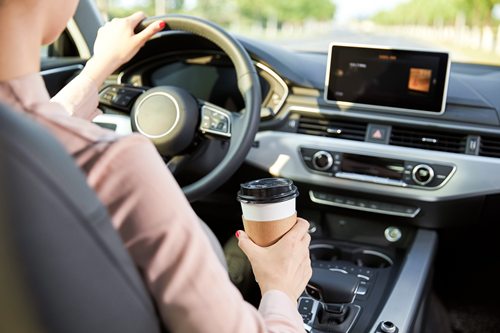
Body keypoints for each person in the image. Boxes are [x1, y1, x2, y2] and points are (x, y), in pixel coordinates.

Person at [0, 0, 312, 332]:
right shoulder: (118, 164)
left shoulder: (24, 147)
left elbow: (34, 121)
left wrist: (97, 69)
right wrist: (280, 290)